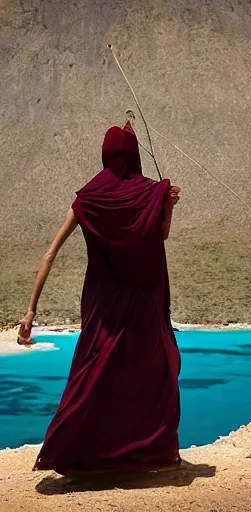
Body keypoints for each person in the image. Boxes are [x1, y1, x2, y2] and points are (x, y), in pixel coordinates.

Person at [17, 121, 182, 476]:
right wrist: (166, 206)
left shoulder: (87, 200)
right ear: (134, 156)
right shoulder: (150, 194)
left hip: (101, 302)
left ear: (105, 155)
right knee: (142, 376)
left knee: (93, 371)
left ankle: (75, 450)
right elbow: (160, 237)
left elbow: (49, 254)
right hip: (140, 303)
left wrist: (31, 311)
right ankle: (137, 454)